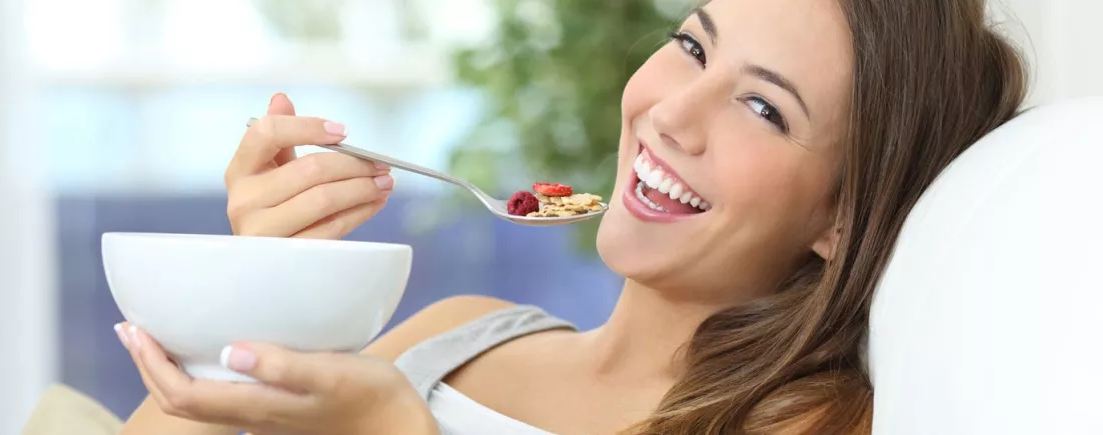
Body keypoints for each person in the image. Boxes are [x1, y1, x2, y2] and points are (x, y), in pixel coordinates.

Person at [113, 0, 1028, 433]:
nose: (668, 113)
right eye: (690, 46)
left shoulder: (803, 423)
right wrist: (256, 288)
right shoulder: (460, 330)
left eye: (762, 107)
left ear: (841, 216)